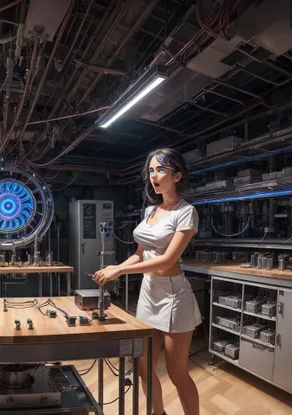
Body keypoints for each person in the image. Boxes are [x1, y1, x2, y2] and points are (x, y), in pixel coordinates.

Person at [93, 148, 201, 415]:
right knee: (143, 367)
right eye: (151, 170)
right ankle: (158, 413)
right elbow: (139, 254)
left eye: (161, 170)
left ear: (176, 175)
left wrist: (120, 273)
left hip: (174, 298)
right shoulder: (151, 211)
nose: (154, 176)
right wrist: (116, 266)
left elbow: (167, 260)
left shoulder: (186, 212)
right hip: (149, 293)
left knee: (177, 373)